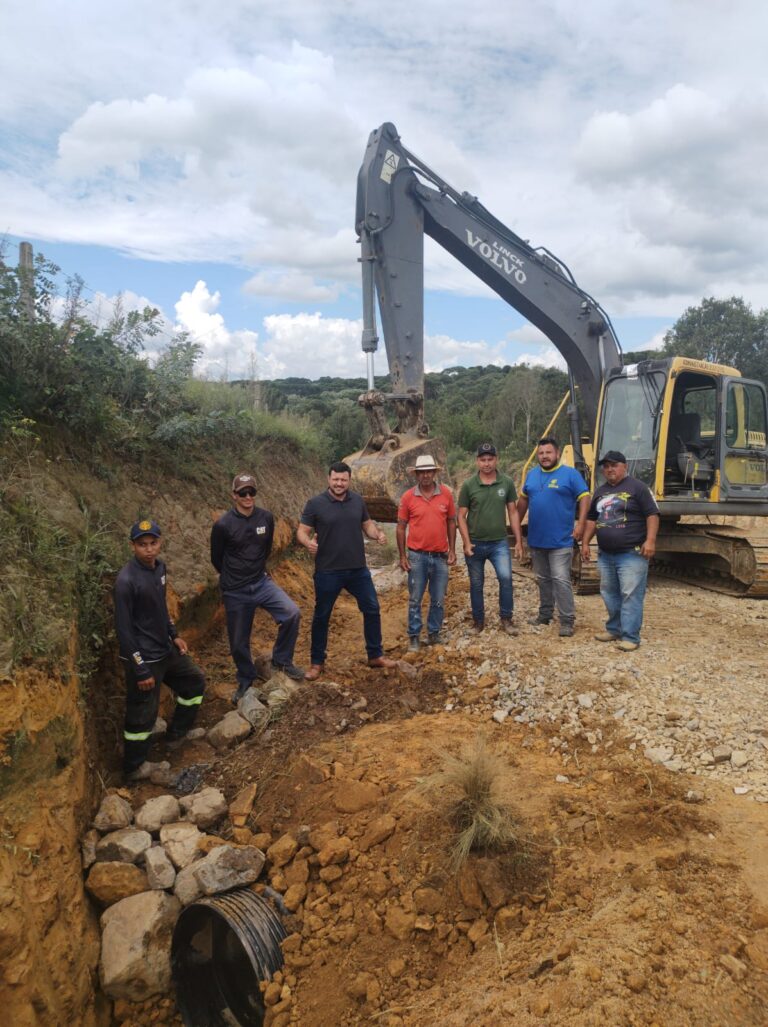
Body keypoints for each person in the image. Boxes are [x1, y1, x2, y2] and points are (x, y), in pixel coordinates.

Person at [114, 519, 205, 782]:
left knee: (194, 683)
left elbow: (161, 609)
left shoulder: (160, 569)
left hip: (166, 650)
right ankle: (134, 767)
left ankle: (177, 734)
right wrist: (140, 668)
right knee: (142, 715)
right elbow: (124, 630)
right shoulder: (126, 581)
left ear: (160, 543)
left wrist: (174, 635)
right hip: (144, 657)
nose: (149, 549)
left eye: (153, 543)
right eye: (142, 545)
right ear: (133, 546)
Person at [297, 461, 398, 680]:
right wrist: (308, 543)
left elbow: (367, 524)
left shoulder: (358, 501)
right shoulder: (315, 504)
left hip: (358, 570)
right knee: (322, 616)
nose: (339, 483)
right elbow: (302, 531)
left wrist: (377, 534)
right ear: (328, 479)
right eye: (336, 479)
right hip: (327, 571)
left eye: (343, 480)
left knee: (372, 608)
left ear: (349, 480)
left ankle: (375, 655)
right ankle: (316, 663)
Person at [211, 473, 303, 700]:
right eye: (243, 493)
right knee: (239, 641)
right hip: (235, 590)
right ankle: (245, 679)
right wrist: (233, 578)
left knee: (291, 613)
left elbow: (266, 548)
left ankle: (281, 661)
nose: (248, 496)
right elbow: (216, 558)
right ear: (234, 495)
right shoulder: (223, 525)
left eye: (251, 492)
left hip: (261, 582)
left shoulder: (265, 518)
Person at [581, 451, 659, 652]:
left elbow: (652, 515)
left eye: (614, 465)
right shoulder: (600, 492)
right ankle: (614, 629)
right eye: (606, 466)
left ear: (624, 466)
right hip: (606, 554)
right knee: (609, 593)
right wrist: (586, 543)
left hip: (631, 553)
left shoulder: (639, 488)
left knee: (630, 594)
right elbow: (591, 519)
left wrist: (650, 540)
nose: (609, 469)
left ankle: (631, 637)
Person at [517, 436, 590, 637]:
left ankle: (567, 620)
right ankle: (545, 614)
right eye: (541, 453)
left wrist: (581, 523)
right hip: (537, 540)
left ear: (557, 453)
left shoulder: (570, 475)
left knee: (560, 578)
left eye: (548, 452)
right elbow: (522, 503)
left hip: (561, 540)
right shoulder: (531, 475)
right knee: (542, 578)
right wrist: (515, 530)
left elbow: (585, 497)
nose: (545, 456)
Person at [457, 442, 523, 634]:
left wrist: (518, 541)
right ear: (477, 461)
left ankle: (507, 619)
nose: (487, 463)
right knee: (476, 583)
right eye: (483, 460)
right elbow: (461, 515)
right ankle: (478, 622)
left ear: (496, 459)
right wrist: (466, 542)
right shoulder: (469, 485)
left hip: (499, 543)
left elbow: (513, 512)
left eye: (490, 459)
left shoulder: (507, 482)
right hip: (475, 543)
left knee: (506, 578)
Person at [396, 453, 457, 651]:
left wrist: (452, 550)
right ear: (416, 475)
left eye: (429, 471)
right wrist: (402, 556)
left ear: (434, 473)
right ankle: (414, 636)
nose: (425, 475)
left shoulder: (446, 494)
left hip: (440, 556)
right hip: (417, 556)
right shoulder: (407, 497)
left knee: (438, 598)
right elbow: (400, 526)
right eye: (421, 472)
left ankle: (434, 633)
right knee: (415, 598)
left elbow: (451, 521)